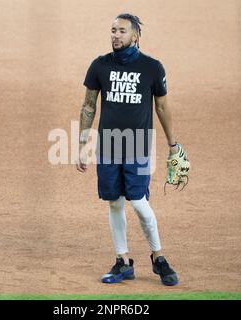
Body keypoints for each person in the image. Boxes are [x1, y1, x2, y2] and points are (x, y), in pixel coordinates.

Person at [76, 13, 180, 286]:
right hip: (108, 144)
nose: (115, 35)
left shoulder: (152, 68)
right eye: (113, 30)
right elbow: (89, 106)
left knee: (139, 203)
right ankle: (123, 261)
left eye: (121, 31)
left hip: (138, 146)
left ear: (135, 36)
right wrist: (82, 143)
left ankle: (159, 257)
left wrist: (173, 145)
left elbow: (162, 107)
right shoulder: (100, 66)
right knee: (114, 202)